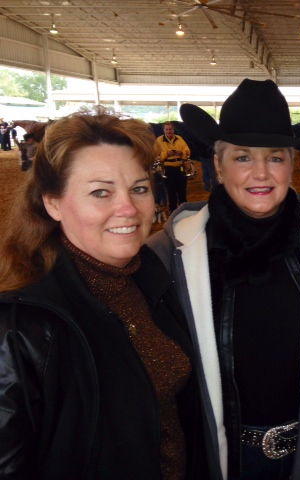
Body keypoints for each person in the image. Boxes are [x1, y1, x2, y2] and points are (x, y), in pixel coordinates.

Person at [148, 79, 300, 480]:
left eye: (275, 158)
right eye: (243, 158)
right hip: (218, 458)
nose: (261, 173)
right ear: (219, 168)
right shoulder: (170, 253)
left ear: (291, 165)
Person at [0, 108, 213, 478]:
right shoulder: (20, 324)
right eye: (101, 192)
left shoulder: (151, 278)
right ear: (52, 202)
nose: (128, 209)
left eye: (139, 188)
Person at [154, 121, 190, 213]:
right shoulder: (159, 140)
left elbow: (187, 151)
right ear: (164, 130)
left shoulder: (179, 139)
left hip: (180, 167)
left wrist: (181, 152)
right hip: (168, 168)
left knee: (182, 190)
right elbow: (156, 156)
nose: (169, 131)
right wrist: (166, 154)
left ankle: (184, 208)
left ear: (173, 130)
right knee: (171, 191)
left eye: (170, 129)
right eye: (167, 129)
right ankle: (172, 209)